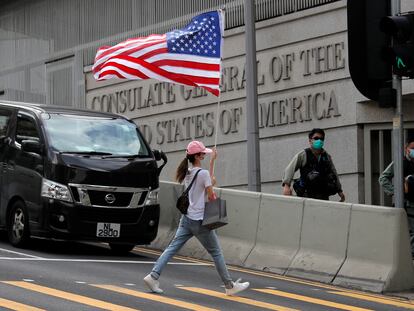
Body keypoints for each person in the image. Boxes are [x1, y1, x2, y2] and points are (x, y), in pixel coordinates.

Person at [143, 140, 249, 296]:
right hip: (199, 221)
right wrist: (214, 193)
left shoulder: (187, 172)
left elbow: (205, 185)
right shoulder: (203, 174)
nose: (204, 155)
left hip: (186, 219)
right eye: (203, 154)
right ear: (198, 156)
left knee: (171, 249)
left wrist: (212, 163)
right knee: (216, 253)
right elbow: (211, 195)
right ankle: (229, 286)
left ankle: (153, 276)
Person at [282, 128, 345, 201]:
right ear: (310, 140)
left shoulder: (326, 157)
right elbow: (290, 169)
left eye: (321, 139)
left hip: (323, 196)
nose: (319, 140)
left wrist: (339, 190)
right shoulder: (303, 155)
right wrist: (286, 186)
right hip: (306, 196)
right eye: (316, 138)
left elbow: (334, 174)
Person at [379, 138, 414, 256]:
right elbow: (383, 178)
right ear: (406, 148)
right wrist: (396, 192)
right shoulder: (400, 162)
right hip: (407, 204)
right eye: (413, 148)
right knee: (410, 233)